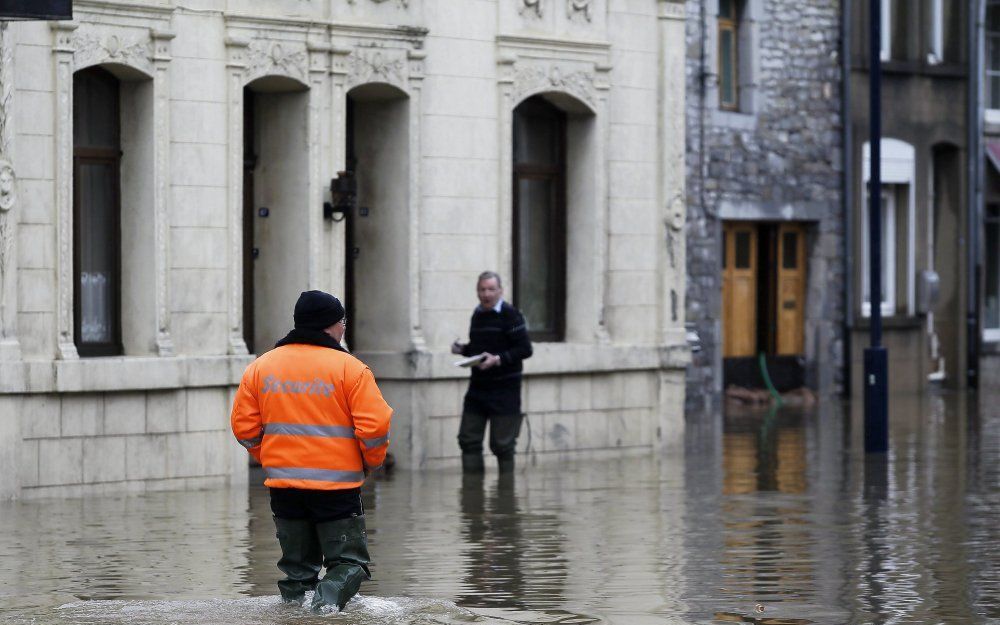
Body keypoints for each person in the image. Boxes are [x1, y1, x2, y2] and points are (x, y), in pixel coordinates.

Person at [231, 290, 392, 611]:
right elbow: (374, 429)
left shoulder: (260, 367)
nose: (344, 329)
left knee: (297, 573)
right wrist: (369, 464)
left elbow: (243, 429)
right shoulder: (352, 369)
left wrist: (271, 460)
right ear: (331, 326)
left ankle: (294, 614)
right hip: (337, 489)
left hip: (284, 488)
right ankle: (324, 609)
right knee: (349, 564)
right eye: (342, 322)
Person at [451, 271, 533, 474]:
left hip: (505, 391)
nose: (486, 294)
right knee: (468, 440)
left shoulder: (511, 315)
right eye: (482, 289)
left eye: (490, 289)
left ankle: (505, 500)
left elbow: (525, 349)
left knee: (502, 446)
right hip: (478, 390)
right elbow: (480, 348)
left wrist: (498, 359)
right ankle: (472, 500)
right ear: (477, 292)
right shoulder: (477, 315)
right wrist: (463, 350)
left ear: (500, 291)